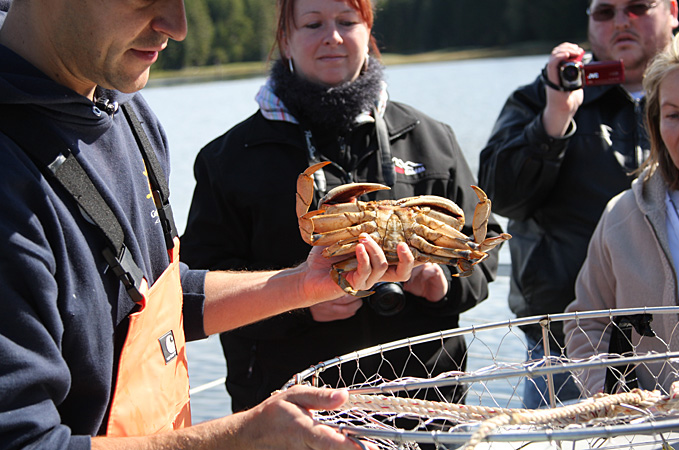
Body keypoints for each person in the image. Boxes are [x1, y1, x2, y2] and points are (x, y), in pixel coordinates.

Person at [0, 0, 415, 448]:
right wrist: (239, 436)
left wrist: (300, 285)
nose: (176, 27)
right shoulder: (11, 178)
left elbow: (157, 297)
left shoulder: (126, 108)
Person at [180, 0, 506, 413]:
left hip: (428, 405)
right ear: (285, 38)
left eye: (347, 21)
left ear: (368, 31)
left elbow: (486, 240)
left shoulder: (431, 138)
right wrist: (299, 305)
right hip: (290, 412)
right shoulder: (229, 159)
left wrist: (444, 283)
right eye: (313, 23)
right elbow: (198, 288)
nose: (332, 36)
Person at [478, 0, 679, 408]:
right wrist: (553, 121)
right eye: (605, 12)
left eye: (637, 7)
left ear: (673, 10)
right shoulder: (545, 93)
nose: (622, 21)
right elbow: (498, 196)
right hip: (566, 344)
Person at [564, 30, 679, 396]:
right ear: (655, 123)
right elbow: (585, 326)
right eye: (674, 115)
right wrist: (615, 398)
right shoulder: (622, 214)